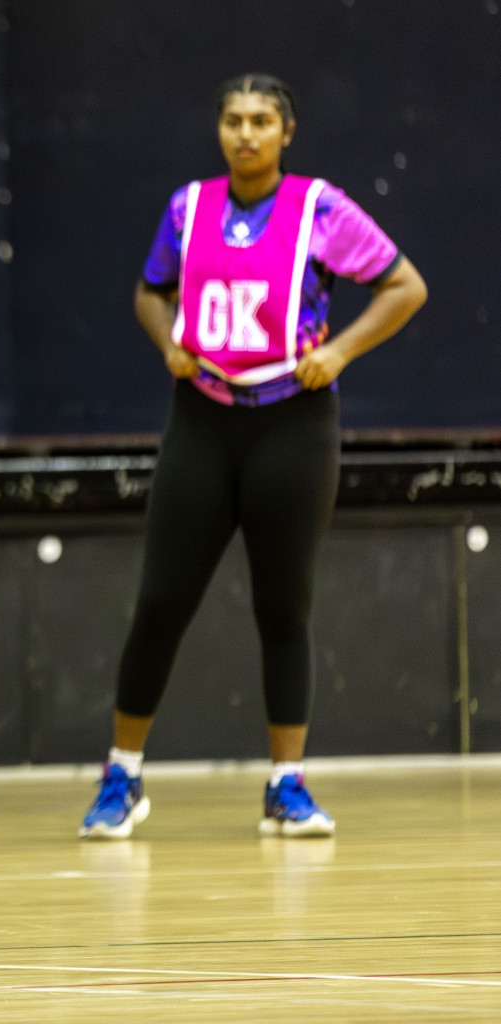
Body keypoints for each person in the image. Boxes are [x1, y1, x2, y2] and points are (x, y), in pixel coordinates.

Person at [80, 74, 428, 840]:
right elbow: (148, 292)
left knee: (283, 606)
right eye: (234, 120)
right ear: (219, 130)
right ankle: (122, 776)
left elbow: (405, 287)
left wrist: (336, 352)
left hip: (292, 424)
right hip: (201, 418)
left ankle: (285, 785)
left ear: (285, 131)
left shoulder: (320, 208)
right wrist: (168, 342)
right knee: (161, 600)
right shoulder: (187, 207)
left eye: (261, 120)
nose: (245, 133)